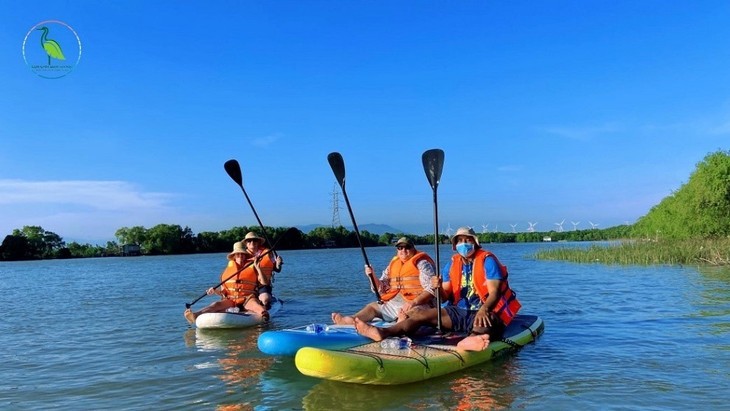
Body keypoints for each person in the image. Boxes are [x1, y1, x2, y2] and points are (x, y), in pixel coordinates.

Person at [354, 227, 522, 351]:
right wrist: (437, 288)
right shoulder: (452, 264)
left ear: (475, 242)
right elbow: (445, 296)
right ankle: (384, 332)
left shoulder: (487, 260)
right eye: (460, 241)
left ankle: (470, 340)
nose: (464, 244)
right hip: (460, 311)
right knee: (418, 314)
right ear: (455, 245)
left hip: (486, 310)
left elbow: (495, 292)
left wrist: (484, 309)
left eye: (467, 240)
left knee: (485, 322)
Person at [331, 237, 437, 325]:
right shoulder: (393, 265)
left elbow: (431, 288)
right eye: (400, 248)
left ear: (413, 249)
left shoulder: (422, 264)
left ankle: (399, 326)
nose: (403, 250)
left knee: (414, 312)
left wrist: (413, 302)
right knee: (372, 307)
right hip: (395, 303)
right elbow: (381, 288)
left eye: (407, 247)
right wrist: (372, 276)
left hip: (418, 303)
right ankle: (351, 320)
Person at [183, 237, 274, 324]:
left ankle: (264, 315)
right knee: (215, 304)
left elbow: (264, 282)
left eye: (243, 254)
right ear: (234, 256)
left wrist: (258, 269)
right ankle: (195, 315)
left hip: (247, 298)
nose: (241, 257)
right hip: (231, 300)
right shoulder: (227, 271)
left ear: (246, 255)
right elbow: (224, 293)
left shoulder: (253, 266)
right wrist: (215, 291)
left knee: (255, 306)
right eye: (238, 254)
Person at [239, 231, 283, 308]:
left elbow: (277, 269)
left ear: (259, 242)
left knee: (265, 299)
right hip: (247, 285)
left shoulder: (268, 253)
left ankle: (265, 307)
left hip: (262, 285)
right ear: (246, 243)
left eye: (254, 240)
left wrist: (278, 264)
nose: (252, 242)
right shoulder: (241, 255)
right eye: (249, 241)